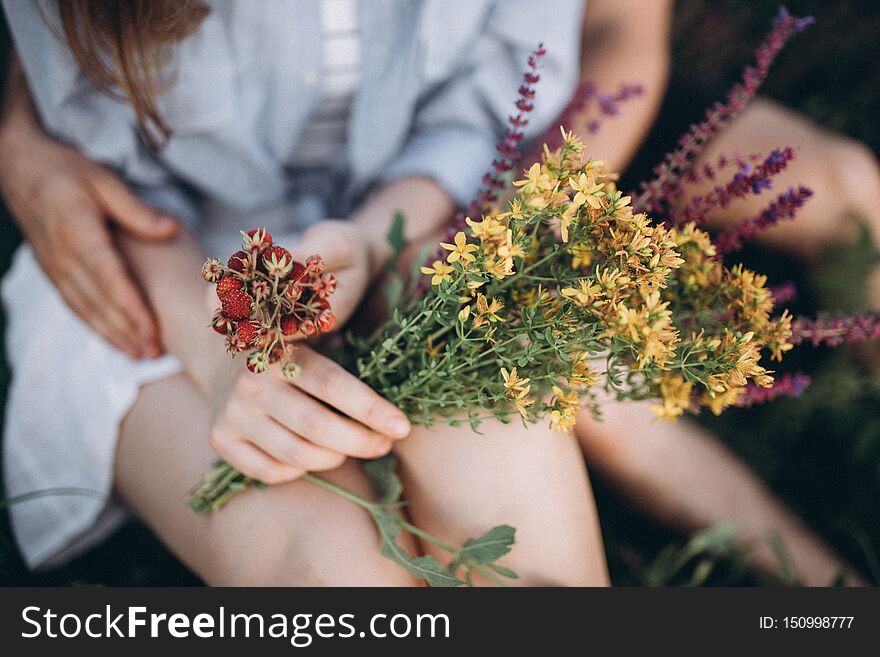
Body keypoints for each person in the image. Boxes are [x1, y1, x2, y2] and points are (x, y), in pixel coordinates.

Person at [0, 0, 609, 585]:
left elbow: (478, 116)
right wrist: (219, 361)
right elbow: (99, 166)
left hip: (409, 224)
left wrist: (371, 244)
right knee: (331, 569)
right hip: (155, 277)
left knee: (523, 542)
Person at [568, 0, 878, 585]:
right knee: (594, 385)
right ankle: (833, 594)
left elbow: (625, 31)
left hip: (592, 110)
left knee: (847, 185)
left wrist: (565, 195)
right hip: (453, 177)